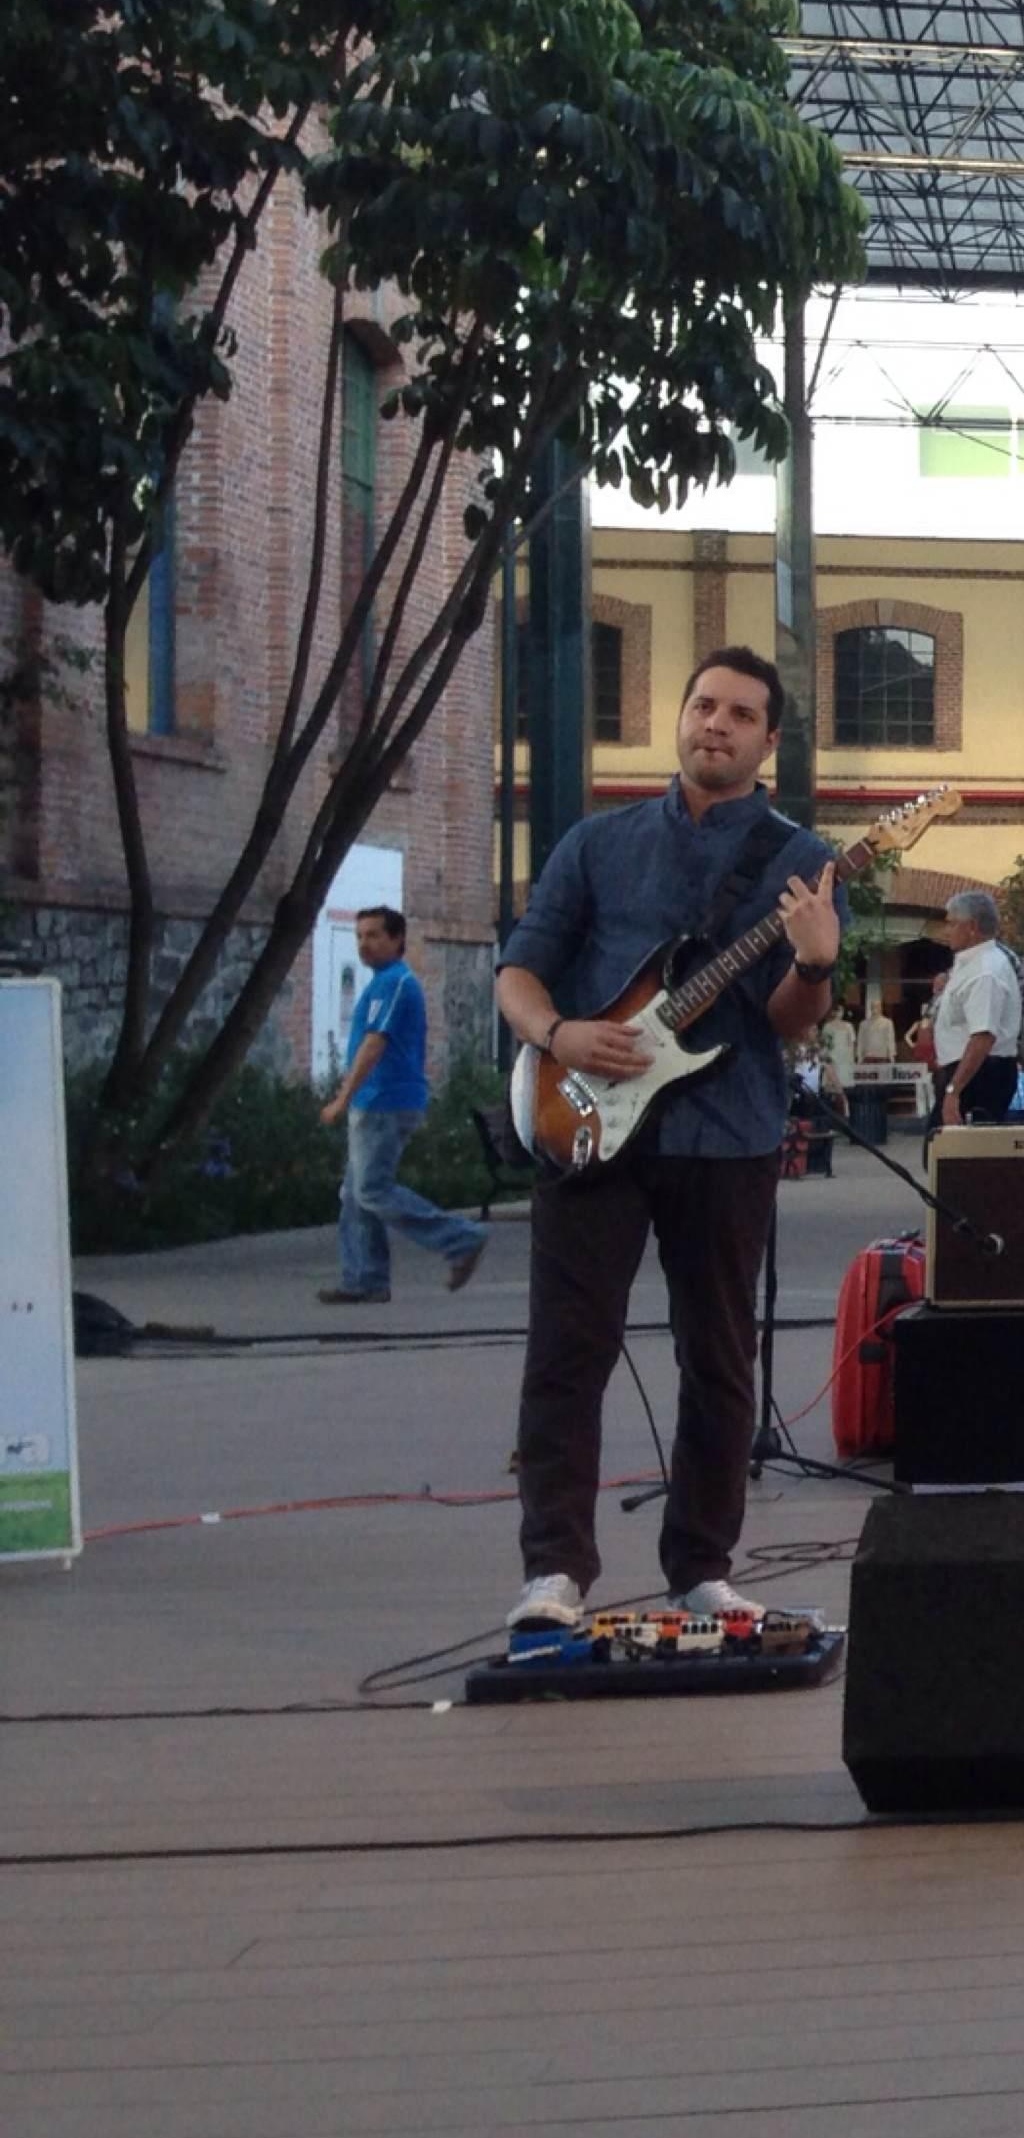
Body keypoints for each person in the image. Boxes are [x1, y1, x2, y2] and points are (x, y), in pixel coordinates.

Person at [492, 647, 841, 1632]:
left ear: (769, 742)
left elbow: (785, 1023)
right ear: (680, 718)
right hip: (587, 1128)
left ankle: (702, 1566)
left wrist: (814, 968)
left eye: (739, 714)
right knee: (568, 1352)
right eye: (702, 706)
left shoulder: (798, 860)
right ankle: (553, 1571)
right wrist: (559, 1034)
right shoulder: (597, 846)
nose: (714, 725)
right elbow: (521, 972)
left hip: (724, 1135)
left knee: (721, 1358)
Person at [314, 904, 488, 1303]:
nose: (364, 944)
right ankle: (366, 1279)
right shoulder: (382, 983)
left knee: (372, 1190)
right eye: (359, 936)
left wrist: (342, 1097)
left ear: (397, 940)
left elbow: (376, 1043)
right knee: (355, 1193)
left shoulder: (395, 983)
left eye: (374, 935)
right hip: (377, 1099)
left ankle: (461, 1239)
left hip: (384, 1101)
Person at [926, 890, 1024, 1127]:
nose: (945, 931)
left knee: (956, 1154)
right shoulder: (969, 964)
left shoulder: (986, 971)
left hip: (979, 1075)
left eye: (951, 924)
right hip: (968, 1072)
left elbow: (983, 1036)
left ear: (971, 927)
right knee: (941, 1152)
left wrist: (954, 1090)